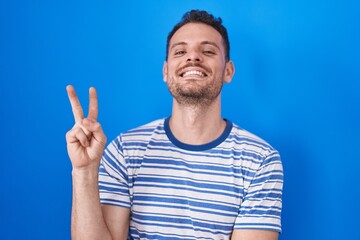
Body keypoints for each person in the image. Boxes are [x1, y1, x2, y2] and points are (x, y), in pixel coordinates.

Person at [66, 10, 283, 240]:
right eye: (180, 51)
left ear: (228, 71)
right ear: (166, 71)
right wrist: (84, 172)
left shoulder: (260, 160)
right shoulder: (125, 151)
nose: (193, 57)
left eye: (208, 51)